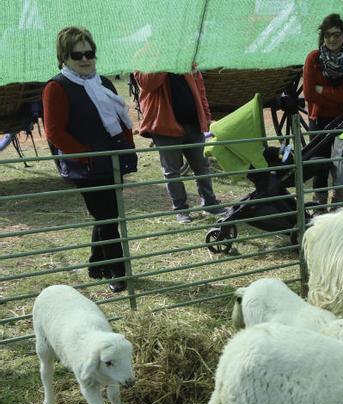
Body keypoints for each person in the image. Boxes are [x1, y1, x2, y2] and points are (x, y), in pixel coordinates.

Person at [43, 26, 137, 293]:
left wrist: (127, 148)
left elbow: (120, 118)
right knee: (107, 216)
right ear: (64, 56)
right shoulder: (57, 87)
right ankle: (118, 271)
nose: (85, 59)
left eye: (89, 53)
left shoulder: (104, 83)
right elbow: (54, 132)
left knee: (107, 214)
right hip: (86, 166)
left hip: (112, 160)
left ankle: (97, 264)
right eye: (77, 54)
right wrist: (85, 157)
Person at [134, 66, 223, 224]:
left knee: (202, 166)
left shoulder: (185, 55)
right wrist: (165, 59)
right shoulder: (145, 58)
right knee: (172, 172)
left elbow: (199, 87)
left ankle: (210, 203)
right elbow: (148, 83)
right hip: (163, 126)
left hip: (192, 124)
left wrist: (206, 116)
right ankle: (181, 210)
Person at [302, 13, 343, 212]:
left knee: (342, 164)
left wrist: (324, 90)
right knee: (320, 165)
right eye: (328, 35)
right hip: (319, 121)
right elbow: (309, 93)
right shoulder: (313, 59)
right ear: (323, 37)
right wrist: (341, 94)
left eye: (336, 34)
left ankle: (337, 209)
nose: (332, 39)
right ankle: (318, 208)